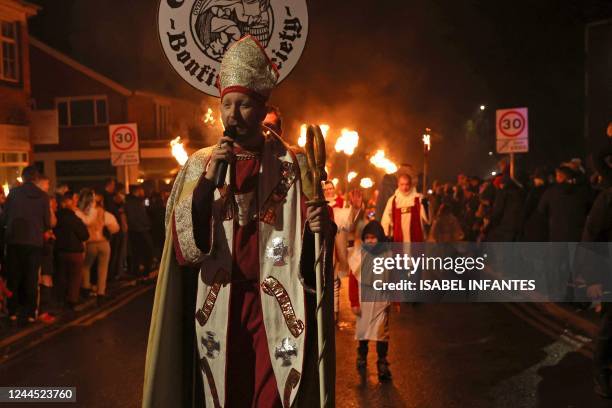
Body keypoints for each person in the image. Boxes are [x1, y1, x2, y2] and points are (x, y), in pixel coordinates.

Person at [143, 36, 335, 408]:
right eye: (226, 104)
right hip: (218, 303)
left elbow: (311, 248)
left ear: (262, 108)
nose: (233, 114)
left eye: (244, 104)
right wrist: (206, 186)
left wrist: (319, 226)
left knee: (271, 397)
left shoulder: (290, 165)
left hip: (276, 309)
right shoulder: (199, 164)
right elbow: (183, 247)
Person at [348, 221, 395, 382]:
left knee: (382, 334)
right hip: (363, 303)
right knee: (363, 333)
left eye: (373, 237)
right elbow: (353, 281)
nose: (370, 241)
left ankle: (382, 361)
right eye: (367, 237)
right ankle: (362, 355)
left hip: (381, 302)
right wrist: (354, 302)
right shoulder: (358, 256)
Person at [3, 166, 50, 323]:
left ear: (23, 178)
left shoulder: (14, 194)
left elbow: (5, 216)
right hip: (34, 241)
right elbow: (47, 221)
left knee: (14, 276)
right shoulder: (43, 197)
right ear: (36, 179)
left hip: (14, 240)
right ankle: (30, 312)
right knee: (31, 277)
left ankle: (12, 311)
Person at [81, 191, 119, 303]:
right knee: (103, 269)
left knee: (86, 266)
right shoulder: (105, 213)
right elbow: (115, 228)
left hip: (91, 243)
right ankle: (101, 292)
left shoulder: (85, 213)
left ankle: (86, 287)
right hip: (104, 243)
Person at [54, 192, 89, 310]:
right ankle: (72, 300)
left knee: (61, 275)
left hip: (60, 250)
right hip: (74, 251)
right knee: (75, 277)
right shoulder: (75, 219)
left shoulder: (56, 218)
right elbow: (84, 235)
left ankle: (60, 298)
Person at [380, 173, 428, 242]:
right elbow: (386, 217)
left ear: (410, 184)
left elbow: (426, 217)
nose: (404, 187)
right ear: (398, 184)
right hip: (399, 237)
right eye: (402, 184)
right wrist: (385, 233)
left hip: (415, 236)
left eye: (407, 184)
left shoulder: (418, 198)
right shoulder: (393, 200)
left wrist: (425, 204)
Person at [124, 185, 154, 279]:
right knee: (147, 250)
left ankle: (136, 271)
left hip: (135, 229)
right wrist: (147, 224)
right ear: (138, 191)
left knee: (136, 251)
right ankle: (145, 271)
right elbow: (140, 215)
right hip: (140, 229)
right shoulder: (136, 202)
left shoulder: (128, 201)